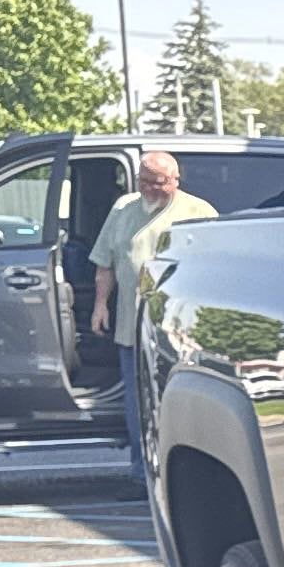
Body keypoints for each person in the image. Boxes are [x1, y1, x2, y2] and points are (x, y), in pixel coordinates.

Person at [89, 150, 215, 486]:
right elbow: (105, 265)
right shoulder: (123, 209)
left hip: (180, 335)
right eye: (144, 182)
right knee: (138, 405)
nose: (150, 189)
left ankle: (185, 478)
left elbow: (217, 271)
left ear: (175, 181)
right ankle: (142, 474)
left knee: (178, 404)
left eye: (158, 183)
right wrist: (101, 305)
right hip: (132, 330)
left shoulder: (199, 212)